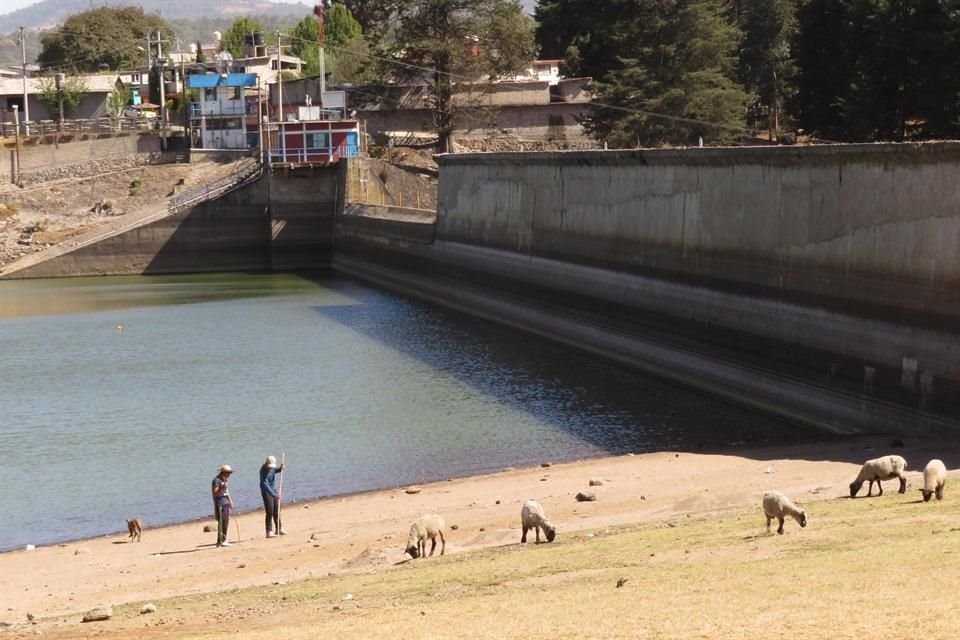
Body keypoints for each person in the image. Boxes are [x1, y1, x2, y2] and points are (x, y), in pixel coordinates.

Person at [259, 455, 286, 538]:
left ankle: (279, 528)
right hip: (266, 492)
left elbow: (274, 471)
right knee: (270, 511)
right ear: (266, 463)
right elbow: (265, 484)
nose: (271, 468)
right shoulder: (263, 470)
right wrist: (274, 495)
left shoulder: (272, 468)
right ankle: (269, 531)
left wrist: (280, 469)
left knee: (276, 510)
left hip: (273, 490)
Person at [211, 464, 235, 547]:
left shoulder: (224, 479)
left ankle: (223, 539)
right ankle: (221, 540)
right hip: (220, 503)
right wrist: (222, 487)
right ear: (223, 472)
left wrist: (230, 501)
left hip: (225, 502)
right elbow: (215, 492)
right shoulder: (216, 480)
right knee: (222, 522)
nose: (229, 475)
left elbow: (226, 492)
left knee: (226, 521)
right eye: (228, 473)